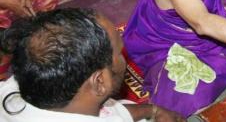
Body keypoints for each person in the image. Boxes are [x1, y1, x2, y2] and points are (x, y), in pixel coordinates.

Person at [0, 8, 184, 122]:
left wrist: (151, 109)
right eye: (119, 53)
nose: (123, 58)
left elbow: (114, 114)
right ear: (100, 82)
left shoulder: (12, 88)